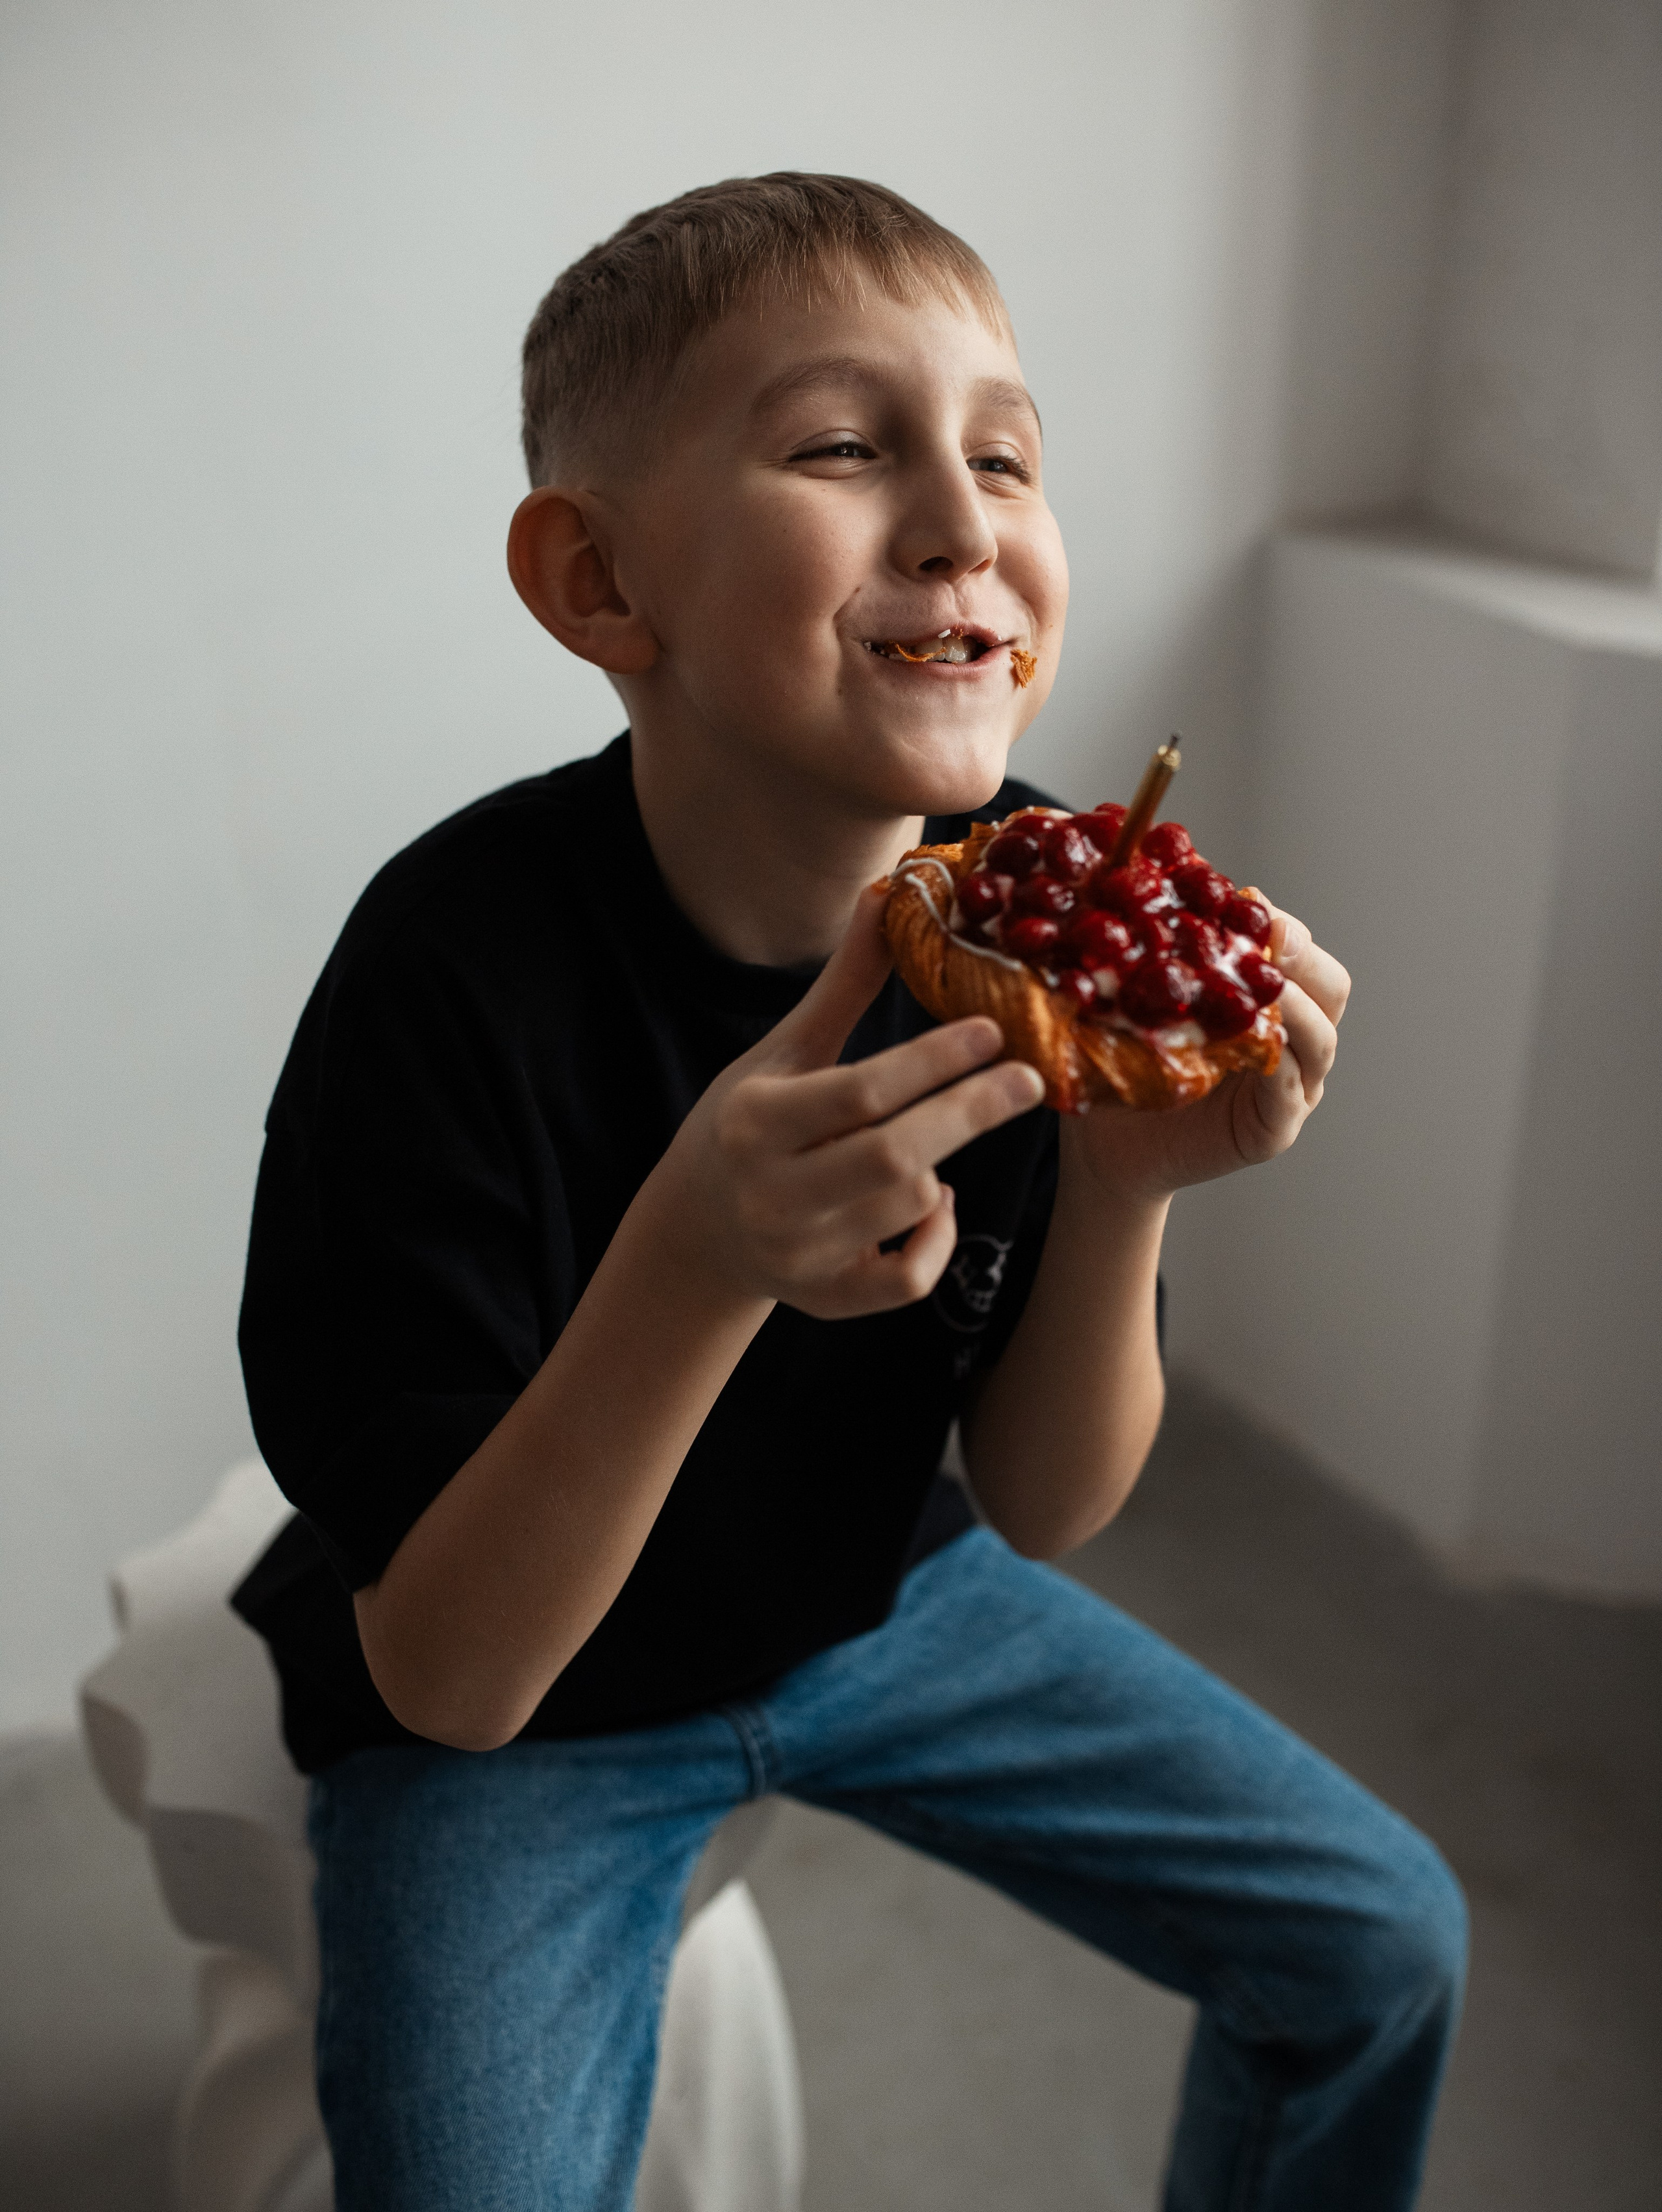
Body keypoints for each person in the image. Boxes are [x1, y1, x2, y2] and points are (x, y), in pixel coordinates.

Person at [234, 173, 1467, 2212]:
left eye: (1007, 456)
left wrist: (1132, 1186)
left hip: (885, 1599)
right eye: (841, 443)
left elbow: (1048, 1506)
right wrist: (696, 1265)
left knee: (1380, 1944)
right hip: (522, 1718)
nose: (967, 520)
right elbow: (451, 1674)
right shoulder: (447, 974)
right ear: (601, 586)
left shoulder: (1053, 912)